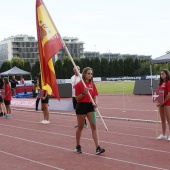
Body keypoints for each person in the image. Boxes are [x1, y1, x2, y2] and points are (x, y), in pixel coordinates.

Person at [75, 67, 105, 155]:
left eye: (91, 74)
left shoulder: (92, 84)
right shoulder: (79, 84)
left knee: (94, 125)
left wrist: (95, 103)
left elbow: (95, 95)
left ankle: (98, 147)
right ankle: (78, 146)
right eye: (88, 73)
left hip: (90, 106)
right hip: (81, 106)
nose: (90, 75)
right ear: (84, 74)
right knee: (80, 127)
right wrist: (83, 93)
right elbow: (76, 98)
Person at [157, 69, 170, 141]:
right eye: (161, 74)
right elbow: (159, 93)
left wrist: (163, 102)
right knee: (163, 119)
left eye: (163, 74)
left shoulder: (169, 82)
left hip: (167, 103)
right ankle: (163, 134)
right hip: (161, 103)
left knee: (169, 119)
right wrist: (158, 102)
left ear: (166, 74)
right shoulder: (161, 83)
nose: (161, 75)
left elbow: (169, 94)